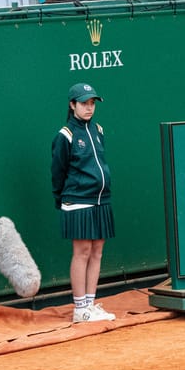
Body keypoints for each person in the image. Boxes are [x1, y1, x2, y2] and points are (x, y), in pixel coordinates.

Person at [51, 83, 117, 322]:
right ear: (72, 105)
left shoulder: (98, 130)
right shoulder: (65, 135)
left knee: (97, 250)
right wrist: (62, 199)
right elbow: (58, 172)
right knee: (82, 251)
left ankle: (89, 304)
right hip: (77, 200)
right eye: (84, 103)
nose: (89, 108)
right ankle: (79, 309)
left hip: (101, 199)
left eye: (92, 103)